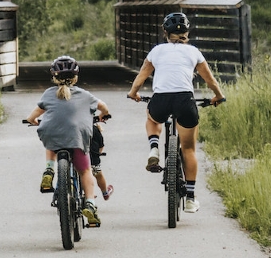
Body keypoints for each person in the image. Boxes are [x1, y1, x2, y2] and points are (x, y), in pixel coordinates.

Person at [126, 12, 225, 214]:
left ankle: (154, 147)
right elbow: (211, 81)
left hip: (161, 100)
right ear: (187, 32)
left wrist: (133, 93)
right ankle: (190, 198)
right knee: (189, 149)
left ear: (165, 32)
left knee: (152, 118)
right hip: (184, 100)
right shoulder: (194, 52)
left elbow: (142, 76)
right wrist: (218, 96)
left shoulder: (156, 51)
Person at [26, 55, 110, 226]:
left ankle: (49, 169)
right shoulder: (85, 95)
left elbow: (31, 117)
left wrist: (34, 122)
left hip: (53, 135)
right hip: (78, 137)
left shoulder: (48, 94)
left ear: (54, 76)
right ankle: (90, 203)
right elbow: (104, 107)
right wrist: (102, 116)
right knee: (85, 171)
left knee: (52, 138)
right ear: (76, 77)